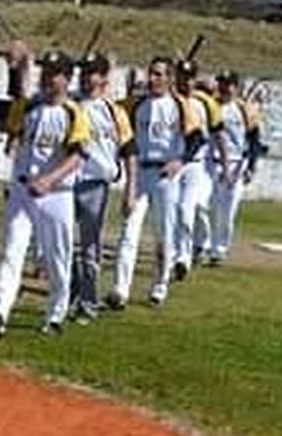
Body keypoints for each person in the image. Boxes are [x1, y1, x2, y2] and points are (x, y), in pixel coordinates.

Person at [0, 50, 90, 338]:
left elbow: (78, 157)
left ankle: (56, 313)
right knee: (12, 250)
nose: (47, 77)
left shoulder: (73, 112)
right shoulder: (31, 106)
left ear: (67, 79)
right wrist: (18, 68)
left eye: (54, 73)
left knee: (57, 256)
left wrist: (49, 180)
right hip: (22, 188)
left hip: (57, 194)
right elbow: (12, 128)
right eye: (45, 71)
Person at [110, 57, 202, 309]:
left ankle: (160, 285)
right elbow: (117, 120)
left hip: (164, 174)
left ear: (170, 78)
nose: (154, 79)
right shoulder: (138, 104)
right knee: (129, 231)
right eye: (152, 74)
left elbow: (197, 138)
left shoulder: (180, 106)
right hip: (140, 172)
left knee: (164, 233)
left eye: (160, 74)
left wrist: (180, 161)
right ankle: (120, 289)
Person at [71, 52, 137, 322]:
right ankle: (71, 290)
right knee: (54, 245)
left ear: (104, 77)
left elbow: (130, 149)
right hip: (66, 182)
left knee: (90, 247)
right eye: (86, 71)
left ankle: (87, 301)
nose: (89, 77)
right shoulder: (70, 104)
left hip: (96, 183)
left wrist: (131, 189)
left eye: (95, 71)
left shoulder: (113, 110)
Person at [170, 60, 226, 281]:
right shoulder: (170, 100)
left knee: (187, 209)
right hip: (172, 163)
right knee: (172, 211)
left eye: (190, 77)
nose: (186, 81)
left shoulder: (205, 103)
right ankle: (174, 253)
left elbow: (217, 134)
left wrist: (225, 163)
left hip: (195, 164)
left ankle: (183, 256)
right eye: (182, 76)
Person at [204, 70, 263, 264]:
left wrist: (251, 166)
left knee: (227, 211)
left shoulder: (244, 109)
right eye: (221, 83)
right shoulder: (211, 106)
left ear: (236, 87)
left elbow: (254, 140)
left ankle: (219, 250)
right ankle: (201, 244)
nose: (224, 88)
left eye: (228, 84)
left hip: (236, 163)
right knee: (203, 206)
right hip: (210, 162)